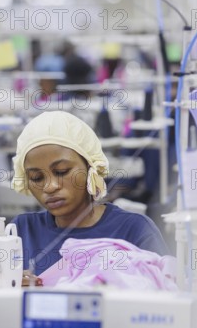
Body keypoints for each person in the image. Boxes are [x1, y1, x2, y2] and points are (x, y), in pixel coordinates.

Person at [10, 111, 170, 282]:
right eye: (36, 178)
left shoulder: (134, 231)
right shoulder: (21, 231)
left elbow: (165, 298)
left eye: (61, 172)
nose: (50, 187)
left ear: (91, 167)